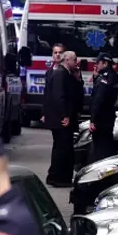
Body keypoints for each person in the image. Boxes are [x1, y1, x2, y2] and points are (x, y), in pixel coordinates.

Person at [43, 51, 84, 187]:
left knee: (63, 147)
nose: (76, 62)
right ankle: (58, 178)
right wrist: (64, 115)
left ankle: (58, 176)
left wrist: (78, 79)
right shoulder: (60, 73)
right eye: (74, 60)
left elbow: (75, 93)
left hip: (64, 117)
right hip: (61, 119)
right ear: (67, 60)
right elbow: (59, 97)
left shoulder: (68, 74)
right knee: (62, 148)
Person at [89, 53, 118, 163]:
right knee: (106, 144)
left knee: (100, 148)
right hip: (108, 117)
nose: (95, 65)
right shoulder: (114, 76)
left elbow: (98, 100)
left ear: (105, 63)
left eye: (98, 63)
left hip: (101, 119)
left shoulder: (105, 78)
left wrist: (93, 120)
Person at [40, 43, 65, 125]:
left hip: (64, 114)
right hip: (52, 113)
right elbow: (47, 94)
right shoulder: (49, 72)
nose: (58, 55)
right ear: (52, 55)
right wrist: (44, 113)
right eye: (55, 52)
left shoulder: (67, 71)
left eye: (60, 52)